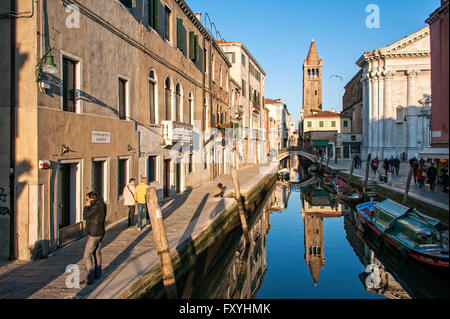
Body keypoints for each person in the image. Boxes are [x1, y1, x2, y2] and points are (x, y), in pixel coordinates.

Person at [82, 192, 106, 285]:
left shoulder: (96, 207)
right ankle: (98, 274)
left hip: (94, 233)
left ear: (92, 199)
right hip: (100, 232)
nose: (87, 201)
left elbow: (85, 216)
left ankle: (90, 278)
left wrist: (86, 206)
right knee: (97, 252)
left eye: (87, 199)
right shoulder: (102, 205)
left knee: (87, 256)